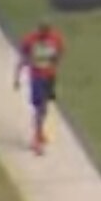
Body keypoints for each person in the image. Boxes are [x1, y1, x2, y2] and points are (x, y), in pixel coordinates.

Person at [16, 21, 64, 156]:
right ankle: (36, 139)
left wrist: (54, 67)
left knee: (45, 107)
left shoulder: (56, 39)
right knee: (40, 107)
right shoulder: (30, 40)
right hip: (37, 78)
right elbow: (23, 57)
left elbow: (59, 54)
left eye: (46, 33)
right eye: (41, 33)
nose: (43, 35)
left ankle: (40, 130)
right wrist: (17, 76)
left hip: (49, 77)